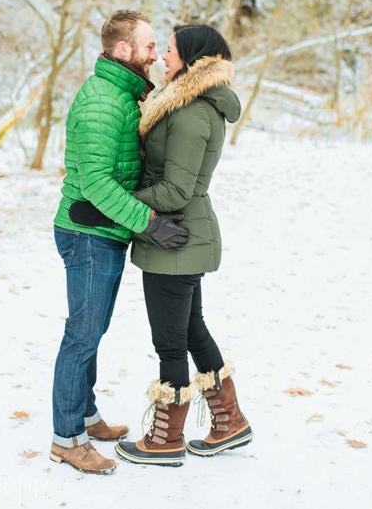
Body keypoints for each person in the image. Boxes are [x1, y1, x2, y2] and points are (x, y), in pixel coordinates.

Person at [82, 24, 251, 467]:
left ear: (193, 59)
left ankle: (165, 439)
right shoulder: (182, 103)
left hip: (175, 236)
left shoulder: (192, 113)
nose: (161, 57)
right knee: (192, 330)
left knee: (171, 343)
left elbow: (175, 191)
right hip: (175, 236)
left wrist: (117, 207)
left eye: (171, 51)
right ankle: (229, 422)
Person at [49, 10, 190, 475]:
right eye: (150, 47)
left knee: (92, 331)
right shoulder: (102, 102)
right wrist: (148, 222)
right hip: (87, 233)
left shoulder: (124, 94)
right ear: (123, 49)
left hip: (103, 232)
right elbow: (95, 181)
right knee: (82, 335)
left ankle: (86, 417)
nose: (155, 55)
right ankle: (66, 438)